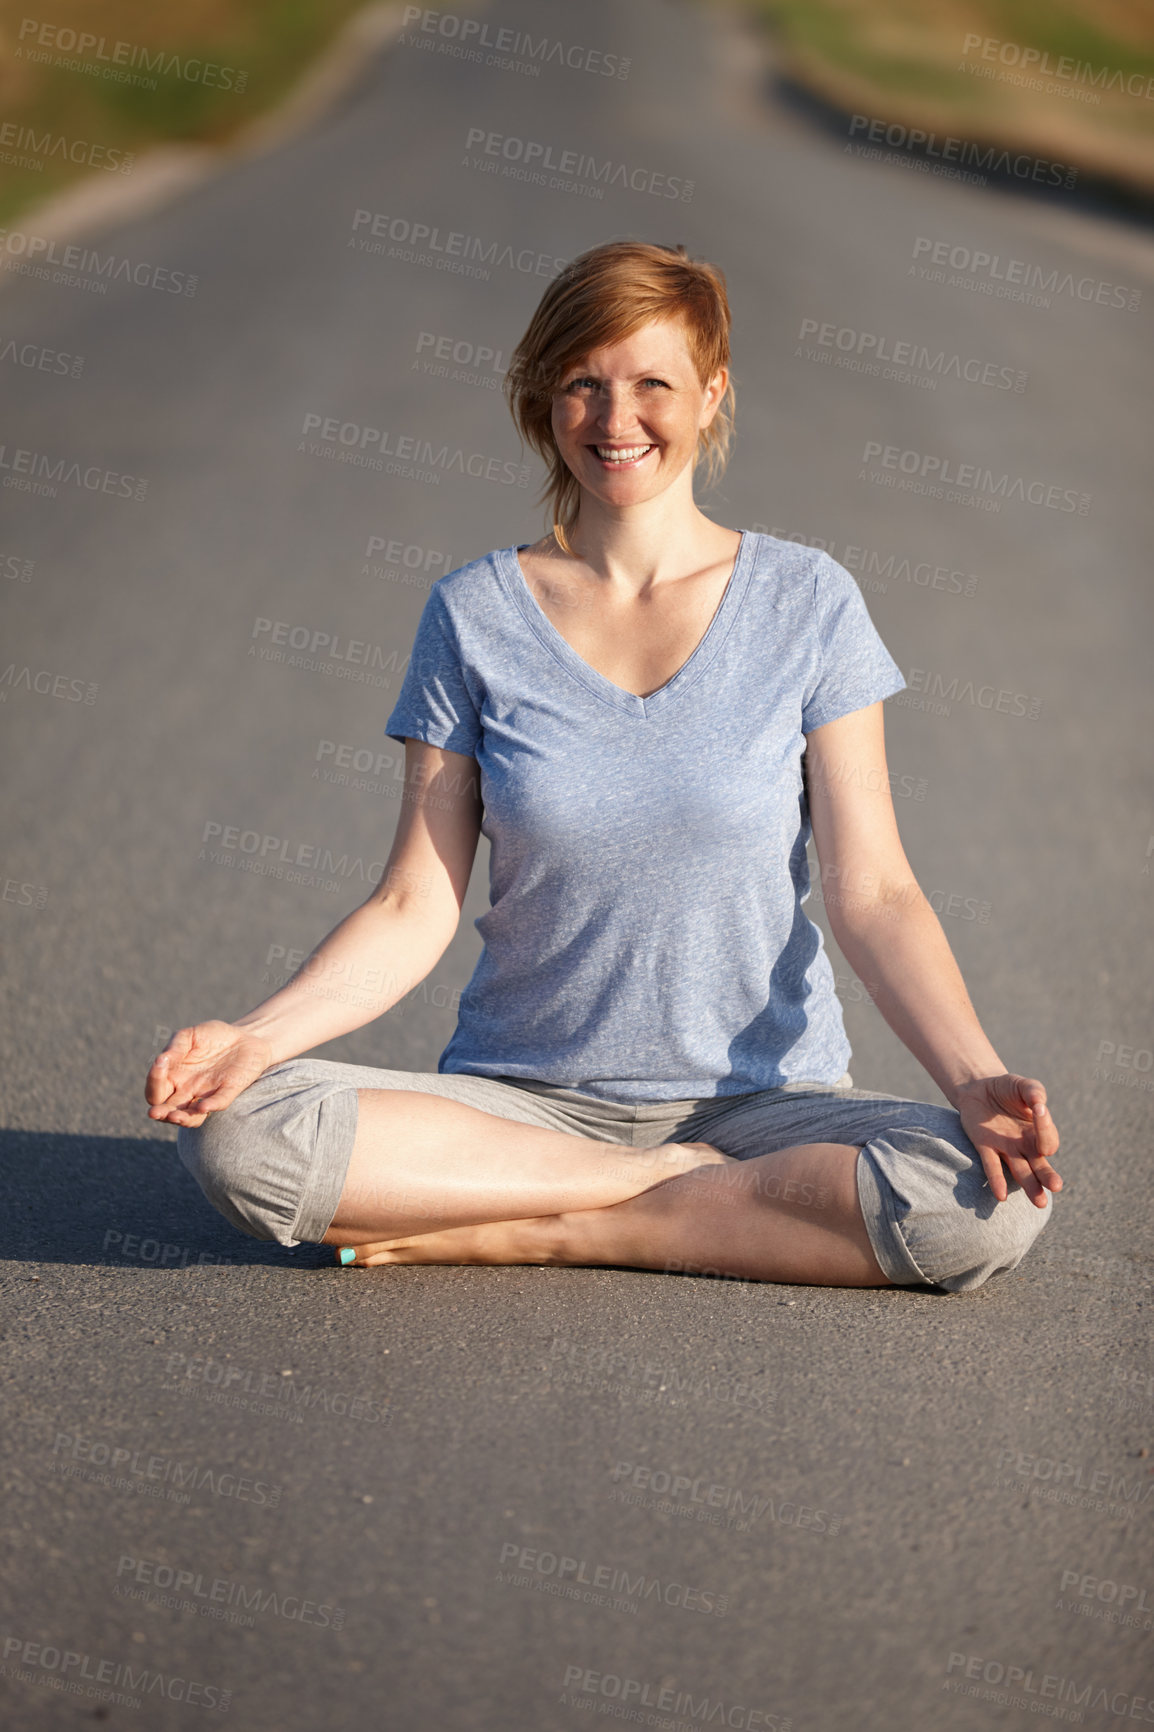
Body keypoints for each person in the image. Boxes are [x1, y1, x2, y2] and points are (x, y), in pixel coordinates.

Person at [147, 239, 1061, 1294]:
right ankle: (652, 1182)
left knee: (982, 1203)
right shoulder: (473, 613)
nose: (614, 419)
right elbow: (412, 902)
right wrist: (252, 1040)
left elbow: (875, 890)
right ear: (544, 399)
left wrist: (972, 1074)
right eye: (580, 383)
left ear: (711, 395)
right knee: (242, 1136)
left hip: (765, 1102)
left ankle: (557, 1225)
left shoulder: (807, 603)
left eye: (651, 385)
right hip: (522, 1101)